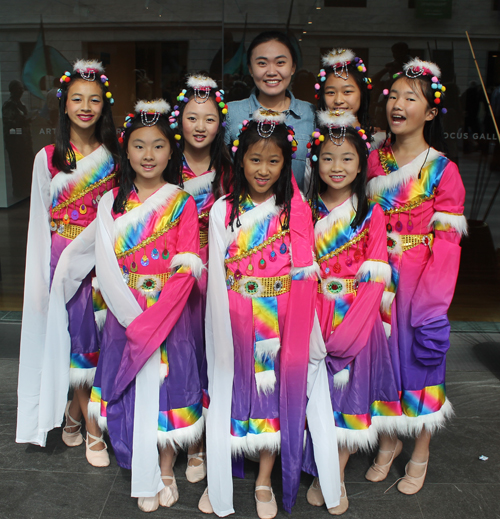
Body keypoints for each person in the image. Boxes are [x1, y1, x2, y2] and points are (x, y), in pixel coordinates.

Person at [199, 109, 340, 519]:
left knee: (270, 400)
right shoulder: (223, 210)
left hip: (280, 318)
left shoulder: (296, 211)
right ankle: (219, 475)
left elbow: (303, 274)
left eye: (273, 161)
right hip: (234, 316)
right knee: (230, 391)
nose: (263, 170)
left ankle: (264, 480)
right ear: (239, 159)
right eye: (255, 159)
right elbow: (216, 275)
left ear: (286, 164)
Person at [90, 99, 204, 512]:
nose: (149, 155)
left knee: (167, 386)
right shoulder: (112, 203)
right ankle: (141, 462)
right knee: (134, 385)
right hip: (126, 310)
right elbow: (104, 263)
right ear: (126, 151)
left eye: (158, 146)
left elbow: (187, 266)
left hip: (170, 313)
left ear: (171, 151)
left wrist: (156, 318)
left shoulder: (182, 203)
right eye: (139, 146)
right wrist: (131, 317)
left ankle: (166, 465)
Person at [366, 59, 467, 494]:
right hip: (376, 278)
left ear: (430, 112)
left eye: (412, 98)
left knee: (422, 360)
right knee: (382, 363)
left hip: (420, 280)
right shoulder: (373, 158)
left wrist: (432, 304)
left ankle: (420, 450)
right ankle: (387, 442)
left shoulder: (443, 170)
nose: (399, 104)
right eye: (394, 95)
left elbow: (447, 246)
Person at [16, 60, 119, 468]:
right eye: (77, 98)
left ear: (104, 106)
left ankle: (75, 415)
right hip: (62, 261)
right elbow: (39, 218)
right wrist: (41, 272)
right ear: (64, 104)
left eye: (94, 100)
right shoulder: (48, 156)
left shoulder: (115, 156)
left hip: (102, 260)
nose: (85, 107)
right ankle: (92, 427)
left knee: (100, 343)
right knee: (77, 344)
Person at [303, 111, 403, 515]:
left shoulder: (371, 213)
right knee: (315, 396)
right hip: (310, 314)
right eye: (328, 157)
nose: (337, 167)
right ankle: (316, 465)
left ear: (361, 164)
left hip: (355, 319)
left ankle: (336, 472)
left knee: (348, 397)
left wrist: (352, 330)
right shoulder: (301, 210)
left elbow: (377, 276)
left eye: (347, 159)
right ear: (315, 162)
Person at [168, 74, 232, 483]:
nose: (200, 126)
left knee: (215, 355)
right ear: (180, 120)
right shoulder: (165, 164)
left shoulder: (230, 168)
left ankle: (208, 438)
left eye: (209, 119)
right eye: (193, 117)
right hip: (175, 272)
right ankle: (183, 436)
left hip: (221, 273)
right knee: (181, 355)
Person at [224, 31, 315, 190]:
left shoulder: (311, 114)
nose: (272, 72)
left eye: (280, 63)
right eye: (262, 63)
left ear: (293, 67)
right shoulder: (231, 113)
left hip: (298, 213)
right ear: (250, 69)